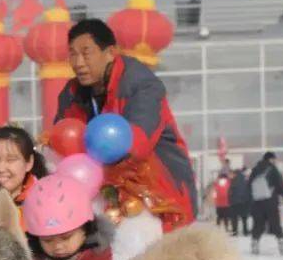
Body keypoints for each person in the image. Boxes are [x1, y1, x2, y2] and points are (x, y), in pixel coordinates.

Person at [55, 18, 197, 230]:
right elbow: (61, 141)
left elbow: (136, 144)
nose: (78, 63)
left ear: (110, 52)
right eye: (73, 54)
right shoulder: (72, 93)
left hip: (160, 196)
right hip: (106, 198)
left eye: (86, 53)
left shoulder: (140, 85)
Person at [21, 175, 113, 260]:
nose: (58, 246)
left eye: (66, 238)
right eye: (47, 240)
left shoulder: (97, 255)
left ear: (85, 229)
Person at [248, 152, 283, 256]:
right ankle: (281, 244)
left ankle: (255, 244)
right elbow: (279, 183)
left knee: (258, 224)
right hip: (271, 202)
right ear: (271, 159)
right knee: (275, 224)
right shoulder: (272, 169)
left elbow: (249, 185)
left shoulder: (255, 170)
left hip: (257, 202)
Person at [227, 166, 251, 237]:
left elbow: (230, 192)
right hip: (244, 202)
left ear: (235, 174)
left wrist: (230, 201)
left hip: (234, 203)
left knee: (234, 218)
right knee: (244, 218)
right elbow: (249, 191)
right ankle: (245, 231)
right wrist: (248, 202)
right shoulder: (245, 180)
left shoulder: (233, 181)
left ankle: (235, 232)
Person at [213, 165, 231, 230]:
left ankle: (218, 227)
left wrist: (215, 200)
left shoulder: (217, 184)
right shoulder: (228, 183)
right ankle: (226, 228)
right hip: (227, 203)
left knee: (219, 216)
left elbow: (214, 193)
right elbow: (230, 192)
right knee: (226, 217)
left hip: (218, 203)